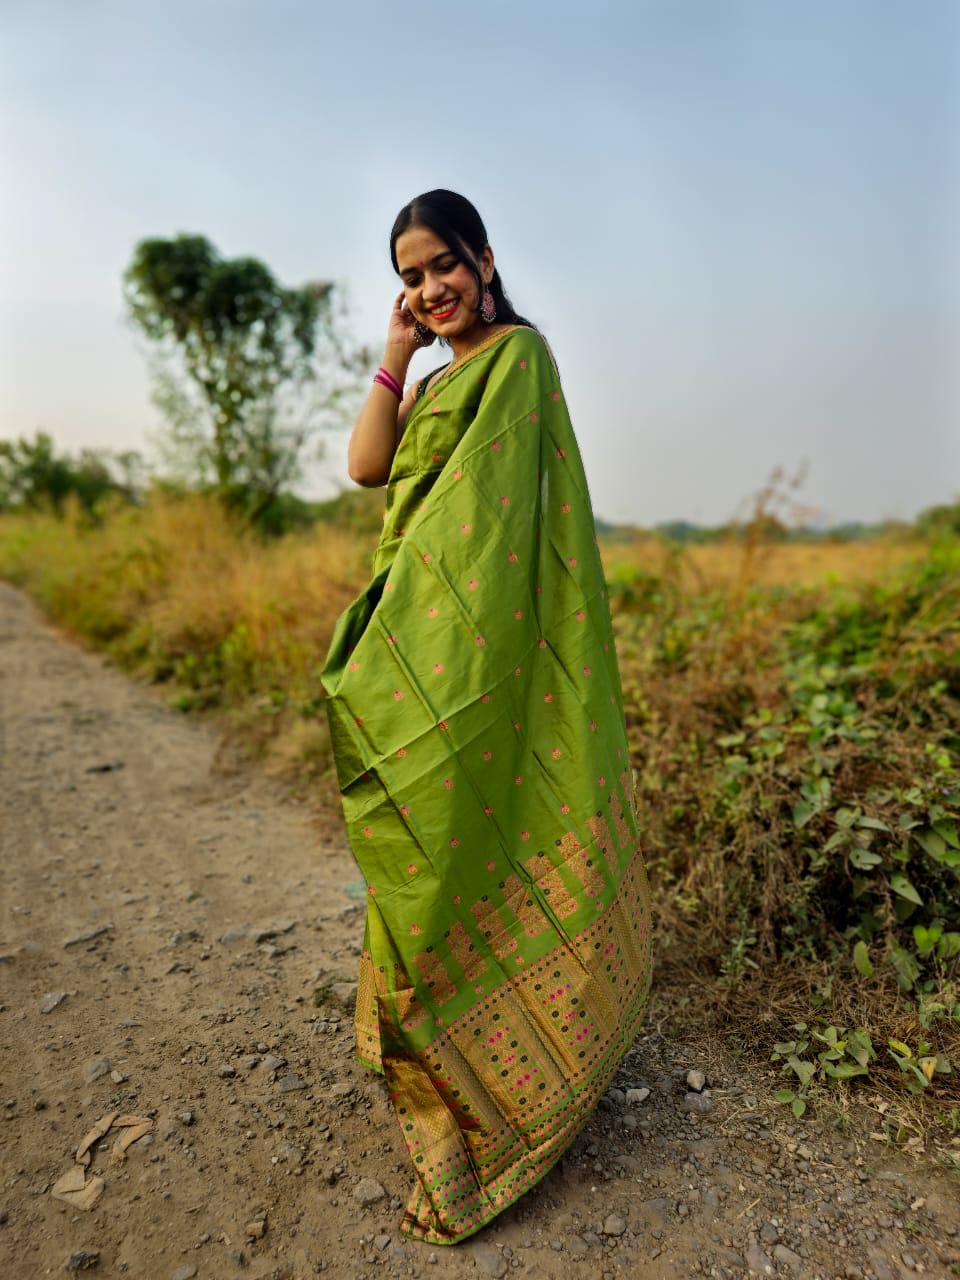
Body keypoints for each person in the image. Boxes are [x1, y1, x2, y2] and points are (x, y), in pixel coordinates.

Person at [322, 190, 652, 1245]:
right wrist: (393, 352)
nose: (431, 289)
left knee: (476, 831)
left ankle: (523, 1090)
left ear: (485, 258)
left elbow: (493, 542)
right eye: (411, 277)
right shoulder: (435, 376)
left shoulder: (518, 366)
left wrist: (448, 641)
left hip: (480, 660)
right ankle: (451, 1062)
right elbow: (369, 468)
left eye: (442, 266)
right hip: (420, 644)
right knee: (426, 852)